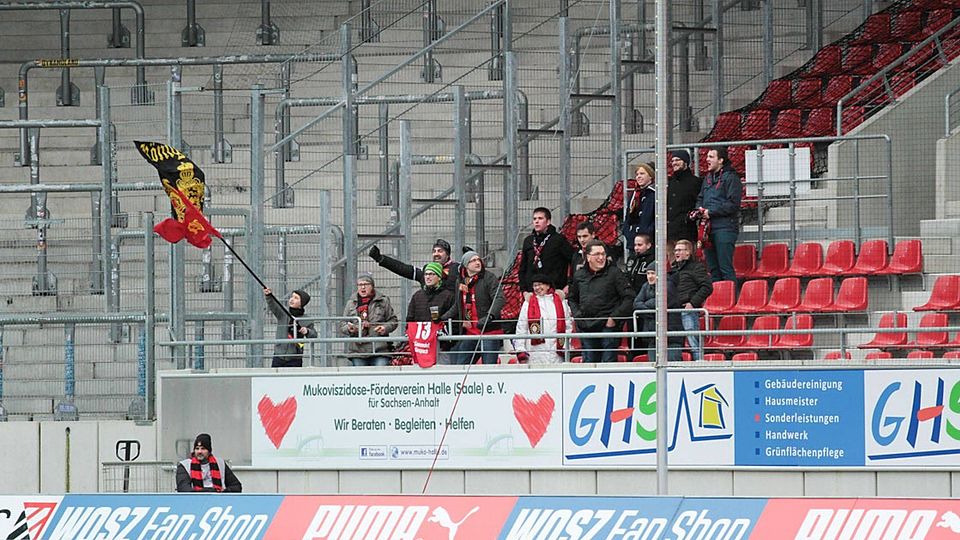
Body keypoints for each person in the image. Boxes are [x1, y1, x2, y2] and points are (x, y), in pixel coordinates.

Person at [567, 240, 635, 363]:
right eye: (597, 254)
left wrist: (614, 318)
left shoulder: (615, 273)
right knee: (589, 363)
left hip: (608, 327)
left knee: (608, 363)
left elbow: (629, 297)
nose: (601, 257)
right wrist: (578, 316)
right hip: (586, 326)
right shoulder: (579, 275)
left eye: (603, 254)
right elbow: (572, 298)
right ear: (588, 257)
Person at [444, 251, 505, 365]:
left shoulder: (488, 277)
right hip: (470, 333)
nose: (477, 263)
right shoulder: (460, 282)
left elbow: (499, 298)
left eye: (478, 260)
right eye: (473, 260)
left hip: (489, 332)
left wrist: (489, 317)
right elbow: (458, 306)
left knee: (488, 368)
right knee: (461, 366)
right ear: (466, 265)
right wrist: (442, 318)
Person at [696, 147, 742, 282]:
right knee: (713, 268)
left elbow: (733, 204)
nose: (707, 159)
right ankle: (717, 299)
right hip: (708, 229)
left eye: (711, 157)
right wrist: (699, 210)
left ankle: (729, 300)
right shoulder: (707, 178)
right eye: (707, 156)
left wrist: (711, 212)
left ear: (721, 160)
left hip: (725, 228)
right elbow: (700, 197)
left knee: (725, 267)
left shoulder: (732, 178)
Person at [339, 273, 399, 367]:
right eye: (360, 285)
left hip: (380, 349)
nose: (363, 287)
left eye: (366, 284)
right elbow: (342, 323)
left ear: (372, 286)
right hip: (358, 351)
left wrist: (385, 328)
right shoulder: (351, 303)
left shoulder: (383, 301)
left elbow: (393, 320)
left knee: (380, 376)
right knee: (360, 379)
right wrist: (349, 329)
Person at [514, 274, 573, 365]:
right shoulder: (528, 303)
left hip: (556, 353)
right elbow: (521, 327)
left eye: (540, 284)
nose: (537, 288)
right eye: (535, 285)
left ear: (548, 285)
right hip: (534, 353)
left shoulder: (560, 302)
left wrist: (565, 346)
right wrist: (520, 349)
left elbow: (567, 326)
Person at [519, 207, 575, 298]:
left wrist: (568, 286)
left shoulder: (558, 240)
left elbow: (573, 260)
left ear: (548, 222)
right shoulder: (528, 241)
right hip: (532, 293)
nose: (536, 221)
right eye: (534, 219)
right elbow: (522, 268)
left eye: (540, 218)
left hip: (554, 292)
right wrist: (524, 290)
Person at [671, 239, 714, 361]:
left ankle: (699, 364)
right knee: (674, 340)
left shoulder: (696, 267)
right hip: (673, 310)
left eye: (679, 250)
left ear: (688, 252)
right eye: (675, 250)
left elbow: (707, 287)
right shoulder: (674, 269)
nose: (676, 253)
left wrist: (693, 303)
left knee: (693, 341)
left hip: (687, 309)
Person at [369, 239, 460, 292]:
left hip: (450, 318)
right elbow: (405, 269)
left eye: (440, 251)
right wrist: (382, 259)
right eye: (434, 251)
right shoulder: (427, 270)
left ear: (447, 254)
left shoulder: (457, 268)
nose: (436, 254)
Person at [406, 262, 456, 357]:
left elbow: (454, 321)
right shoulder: (417, 296)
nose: (428, 277)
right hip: (420, 346)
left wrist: (446, 344)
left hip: (441, 347)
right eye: (426, 274)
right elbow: (410, 319)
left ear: (439, 277)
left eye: (432, 274)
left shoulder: (448, 296)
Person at [263, 287, 316, 368]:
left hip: (295, 359)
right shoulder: (283, 313)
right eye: (292, 297)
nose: (292, 299)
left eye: (296, 298)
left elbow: (314, 335)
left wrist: (307, 331)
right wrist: (269, 296)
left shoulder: (307, 320)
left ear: (302, 303)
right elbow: (273, 306)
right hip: (278, 356)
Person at [176, 433, 242, 493]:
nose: (199, 451)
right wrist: (210, 491)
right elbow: (183, 490)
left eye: (203, 448)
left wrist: (224, 491)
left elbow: (236, 486)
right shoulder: (185, 465)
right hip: (195, 501)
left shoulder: (220, 463)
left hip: (219, 500)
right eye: (197, 448)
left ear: (209, 451)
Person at [667, 150, 702, 244]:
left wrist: (688, 218)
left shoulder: (695, 182)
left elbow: (699, 202)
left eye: (677, 160)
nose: (674, 163)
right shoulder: (669, 182)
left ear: (686, 162)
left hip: (686, 232)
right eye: (672, 160)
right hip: (669, 232)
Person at [622, 162, 655, 248]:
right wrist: (627, 232)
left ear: (650, 176)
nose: (638, 176)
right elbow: (628, 218)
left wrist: (647, 232)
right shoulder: (635, 194)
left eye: (642, 173)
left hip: (648, 241)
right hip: (632, 241)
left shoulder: (654, 194)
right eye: (637, 174)